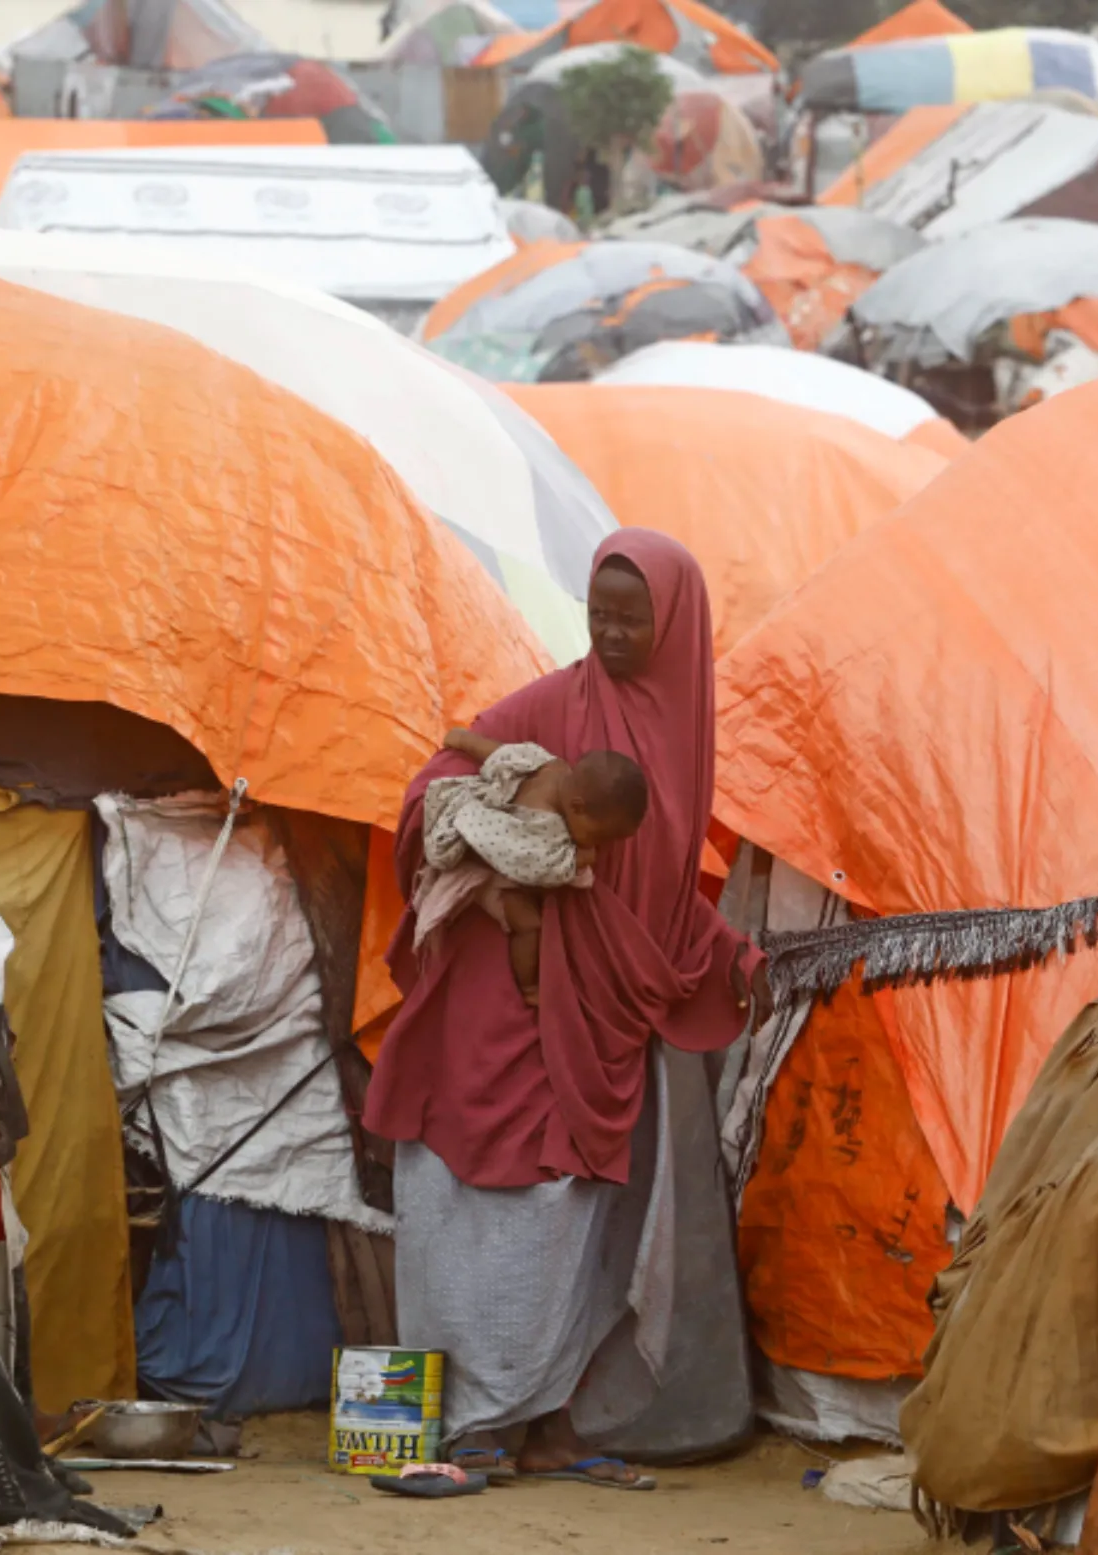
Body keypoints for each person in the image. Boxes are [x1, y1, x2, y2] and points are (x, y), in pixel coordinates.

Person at [364, 529, 771, 1491]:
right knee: (479, 1218)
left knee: (571, 1228)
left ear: (678, 628)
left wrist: (736, 954)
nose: (615, 633)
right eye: (601, 615)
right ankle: (461, 1429)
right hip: (496, 1016)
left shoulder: (682, 743)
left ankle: (545, 1427)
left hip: (598, 1034)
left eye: (635, 619)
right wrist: (502, 865)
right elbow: (437, 781)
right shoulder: (552, 703)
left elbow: (664, 897)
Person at [414, 728, 650, 1007]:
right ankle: (528, 986)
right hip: (485, 858)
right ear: (577, 808)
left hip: (492, 823)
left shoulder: (549, 765)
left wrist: (464, 741)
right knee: (528, 923)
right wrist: (581, 859)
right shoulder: (545, 828)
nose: (599, 846)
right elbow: (543, 869)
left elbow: (502, 754)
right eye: (599, 837)